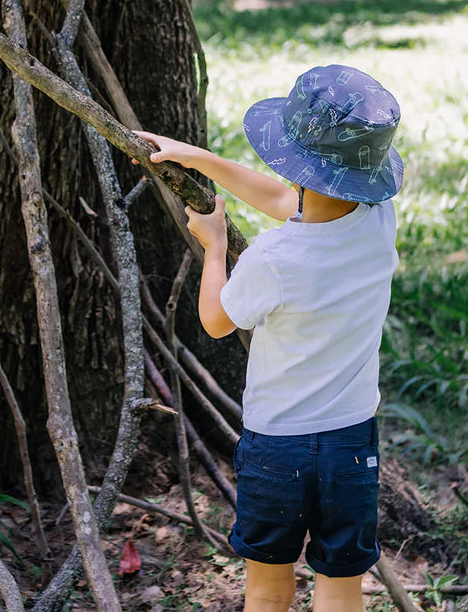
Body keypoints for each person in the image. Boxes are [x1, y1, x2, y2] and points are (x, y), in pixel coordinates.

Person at [134, 64, 404, 612]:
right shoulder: (378, 221)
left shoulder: (274, 258)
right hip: (351, 443)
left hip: (277, 446)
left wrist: (213, 246)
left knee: (266, 587)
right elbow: (289, 201)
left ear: (297, 164)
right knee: (341, 581)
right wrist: (198, 158)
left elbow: (215, 321)